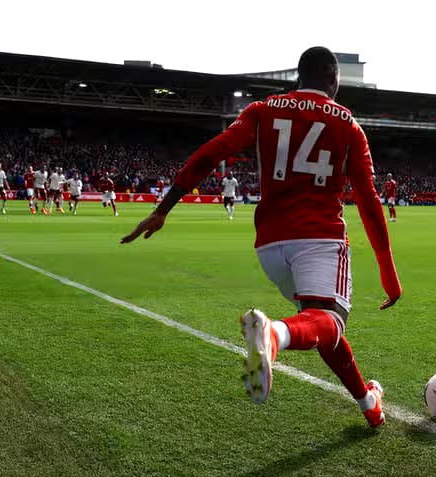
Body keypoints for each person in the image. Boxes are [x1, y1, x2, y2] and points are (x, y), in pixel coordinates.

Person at [122, 46, 401, 428]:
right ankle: (273, 334)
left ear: (299, 78)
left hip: (270, 246)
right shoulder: (348, 125)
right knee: (330, 321)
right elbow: (368, 200)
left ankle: (368, 402)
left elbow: (208, 154)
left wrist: (163, 208)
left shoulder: (262, 110)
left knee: (318, 321)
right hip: (319, 238)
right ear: (334, 80)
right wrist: (388, 271)